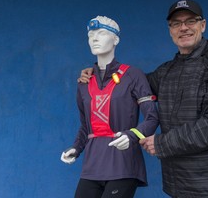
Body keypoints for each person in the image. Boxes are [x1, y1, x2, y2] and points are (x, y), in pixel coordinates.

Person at [79, 0, 208, 198]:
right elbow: (127, 86)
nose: (183, 28)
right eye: (176, 23)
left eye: (190, 21)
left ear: (203, 25)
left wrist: (161, 144)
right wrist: (100, 75)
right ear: (170, 30)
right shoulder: (167, 72)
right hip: (179, 187)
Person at [61, 15, 159, 198]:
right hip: (92, 165)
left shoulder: (133, 75)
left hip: (123, 163)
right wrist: (76, 147)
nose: (95, 39)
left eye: (102, 33)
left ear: (116, 39)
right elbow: (86, 126)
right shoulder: (84, 82)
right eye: (91, 35)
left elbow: (152, 117)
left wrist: (132, 135)